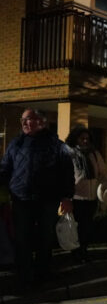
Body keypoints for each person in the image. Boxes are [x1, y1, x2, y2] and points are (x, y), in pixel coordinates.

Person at [0, 109, 74, 288]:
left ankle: (43, 273)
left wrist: (67, 197)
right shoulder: (15, 144)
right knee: (22, 238)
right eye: (24, 119)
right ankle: (24, 275)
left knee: (44, 237)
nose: (26, 123)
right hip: (21, 199)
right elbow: (5, 168)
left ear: (42, 122)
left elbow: (67, 172)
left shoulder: (56, 145)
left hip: (47, 200)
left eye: (30, 119)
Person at [65, 125, 107, 262]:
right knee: (76, 228)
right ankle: (75, 253)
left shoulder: (94, 154)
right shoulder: (69, 153)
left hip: (91, 197)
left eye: (87, 138)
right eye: (82, 138)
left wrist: (106, 184)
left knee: (87, 227)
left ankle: (83, 251)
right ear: (75, 139)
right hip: (75, 197)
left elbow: (103, 172)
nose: (85, 141)